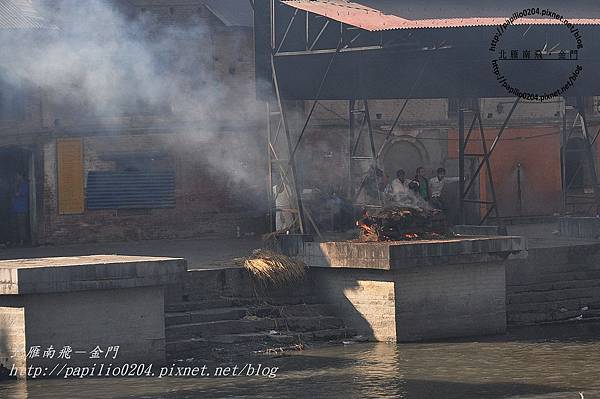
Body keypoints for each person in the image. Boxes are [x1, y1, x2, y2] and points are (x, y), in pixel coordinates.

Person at [9, 172, 29, 245]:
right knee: (14, 225)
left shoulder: (24, 184)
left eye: (17, 175)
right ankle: (15, 241)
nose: (16, 177)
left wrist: (15, 193)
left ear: (21, 176)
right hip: (14, 208)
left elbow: (18, 194)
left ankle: (22, 240)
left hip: (21, 208)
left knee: (22, 225)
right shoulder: (14, 184)